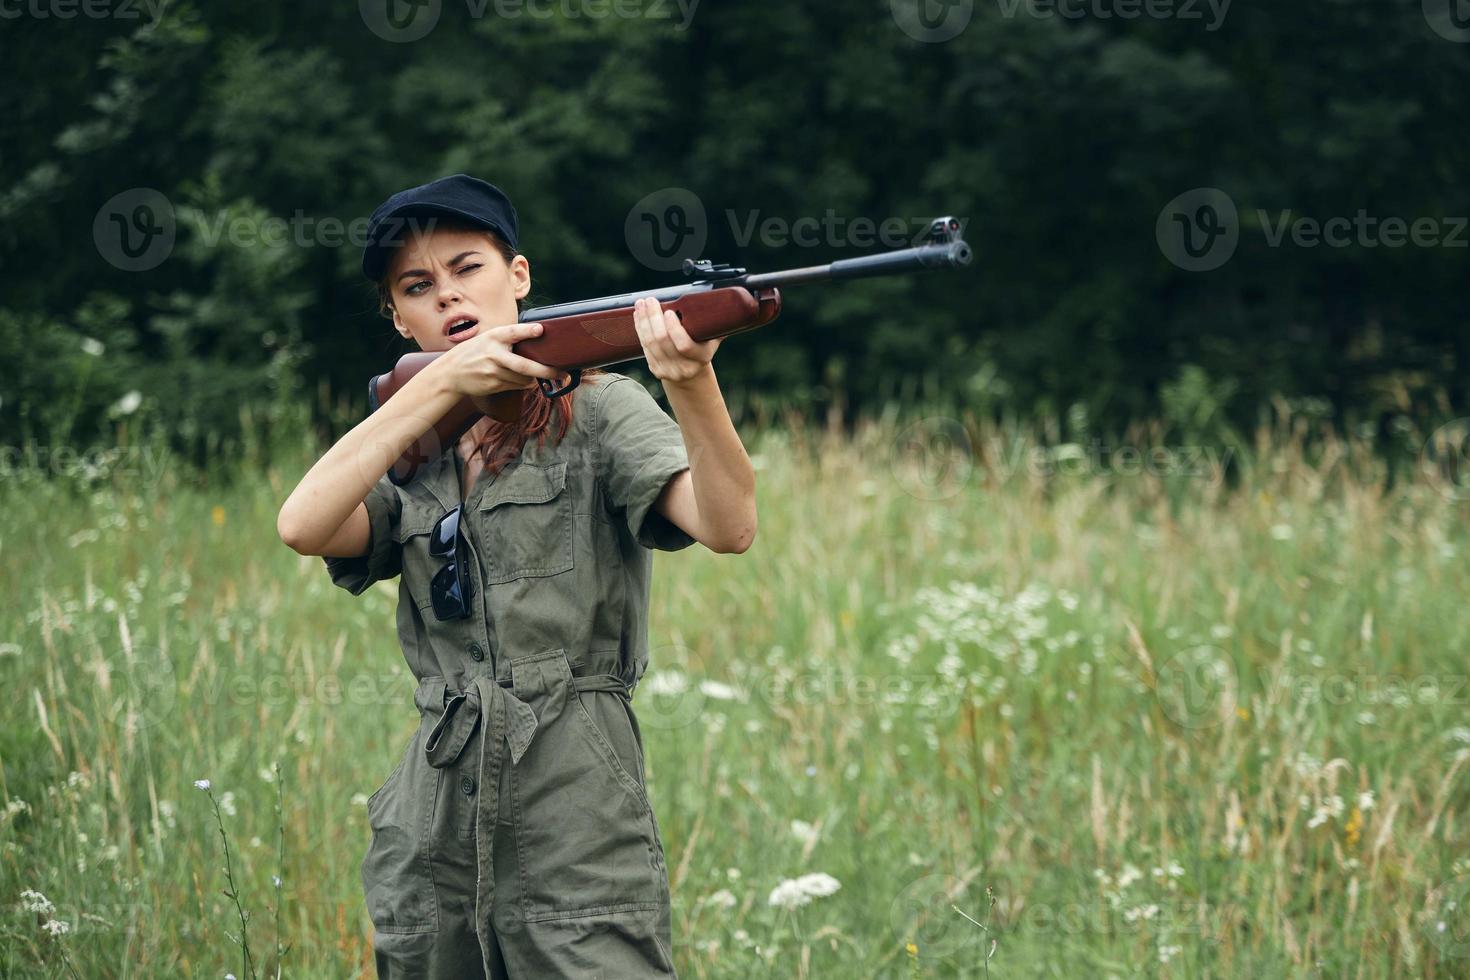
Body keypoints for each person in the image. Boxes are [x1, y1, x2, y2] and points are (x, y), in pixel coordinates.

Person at [276, 174, 757, 978]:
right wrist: (435, 388)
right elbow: (303, 524)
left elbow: (730, 525)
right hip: (434, 817)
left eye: (468, 268)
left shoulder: (602, 411)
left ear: (519, 277)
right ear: (398, 317)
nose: (448, 297)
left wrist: (692, 383)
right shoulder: (412, 444)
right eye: (418, 287)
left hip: (575, 800)